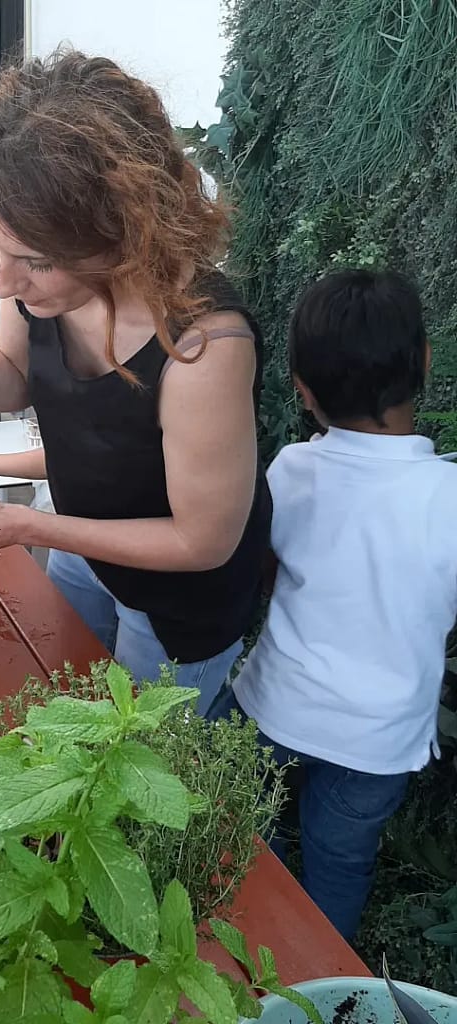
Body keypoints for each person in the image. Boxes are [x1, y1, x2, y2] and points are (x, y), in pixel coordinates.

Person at [0, 51, 271, 716]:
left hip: (176, 605)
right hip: (81, 548)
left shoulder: (203, 347)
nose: (4, 283)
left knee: (135, 755)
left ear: (124, 229)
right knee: (63, 711)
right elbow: (13, 376)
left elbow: (201, 542)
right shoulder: (29, 275)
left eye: (34, 262)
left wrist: (22, 524)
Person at [206, 269, 457, 940]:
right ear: (424, 360)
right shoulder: (449, 498)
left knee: (233, 822)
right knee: (341, 861)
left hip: (276, 710)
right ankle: (320, 975)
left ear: (303, 389)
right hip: (381, 740)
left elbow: (264, 575)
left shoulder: (292, 469)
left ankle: (237, 939)